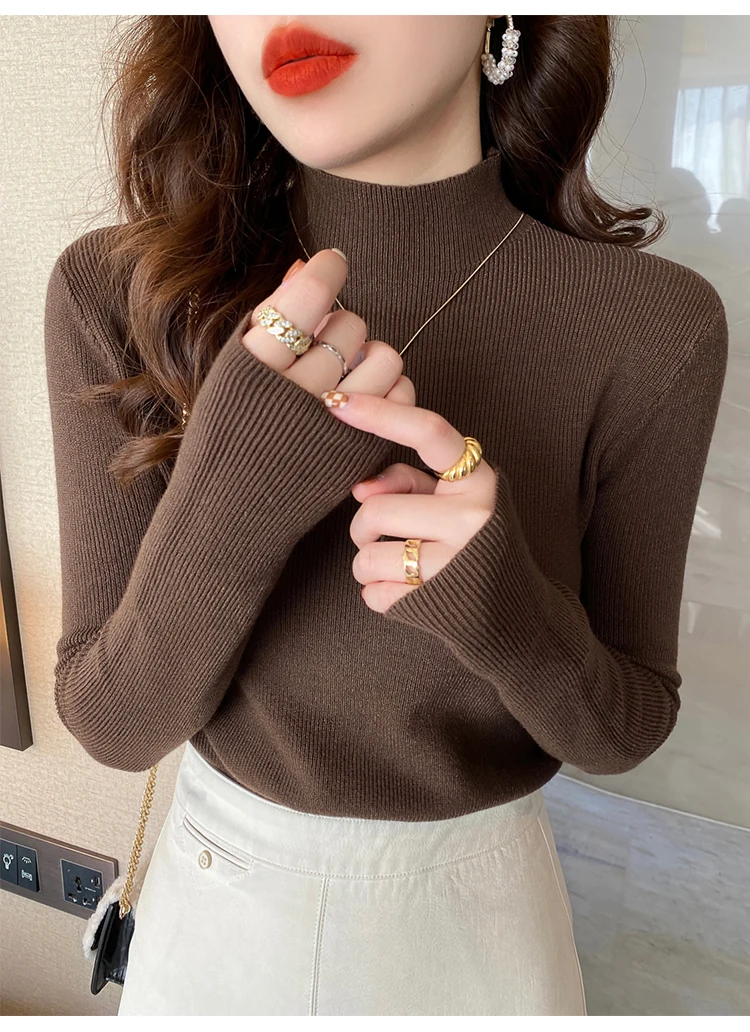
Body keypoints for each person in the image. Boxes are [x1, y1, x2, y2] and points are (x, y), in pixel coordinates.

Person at [44, 14, 728, 1017]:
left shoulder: (653, 324)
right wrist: (232, 496)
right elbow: (113, 723)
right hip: (211, 933)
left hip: (483, 943)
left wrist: (504, 608)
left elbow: (624, 726)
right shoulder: (122, 291)